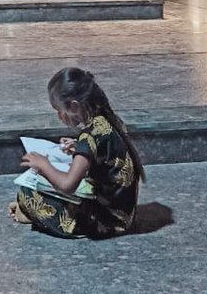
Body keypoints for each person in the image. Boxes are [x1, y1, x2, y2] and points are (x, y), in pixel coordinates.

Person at [12, 67, 145, 238]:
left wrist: (44, 165)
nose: (60, 116)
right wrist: (78, 147)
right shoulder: (107, 121)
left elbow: (68, 185)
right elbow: (105, 151)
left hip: (105, 221)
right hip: (123, 214)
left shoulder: (89, 137)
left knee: (27, 193)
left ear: (74, 106)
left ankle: (29, 214)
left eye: (59, 110)